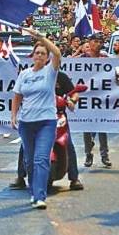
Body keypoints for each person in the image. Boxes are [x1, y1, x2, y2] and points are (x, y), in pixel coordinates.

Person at [11, 28, 62, 210]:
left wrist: (41, 37)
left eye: (43, 53)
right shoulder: (24, 74)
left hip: (46, 122)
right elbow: (17, 96)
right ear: (32, 56)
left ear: (47, 57)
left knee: (41, 159)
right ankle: (33, 191)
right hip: (26, 123)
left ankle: (40, 196)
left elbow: (57, 52)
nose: (39, 55)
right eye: (37, 53)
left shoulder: (50, 71)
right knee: (30, 161)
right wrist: (14, 116)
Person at [10, 71, 84, 191]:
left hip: (57, 116)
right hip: (36, 117)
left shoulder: (61, 77)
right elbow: (19, 95)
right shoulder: (31, 77)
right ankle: (20, 177)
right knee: (25, 146)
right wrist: (15, 114)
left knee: (68, 144)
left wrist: (72, 101)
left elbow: (74, 93)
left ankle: (74, 178)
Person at [82, 33, 112, 168]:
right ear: (90, 42)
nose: (98, 44)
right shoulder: (82, 58)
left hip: (101, 97)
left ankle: (104, 155)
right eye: (95, 41)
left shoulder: (105, 58)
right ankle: (88, 154)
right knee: (87, 127)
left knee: (102, 127)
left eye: (101, 42)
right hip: (86, 97)